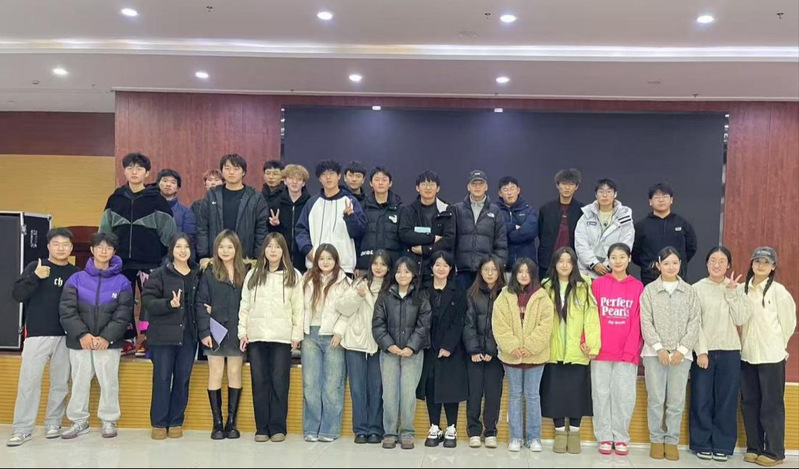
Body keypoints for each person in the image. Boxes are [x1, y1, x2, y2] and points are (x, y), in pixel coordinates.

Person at [7, 228, 79, 447]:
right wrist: (35, 277)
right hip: (36, 335)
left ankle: (53, 423)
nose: (61, 248)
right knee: (29, 383)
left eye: (65, 244)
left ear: (71, 248)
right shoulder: (35, 267)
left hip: (65, 336)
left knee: (60, 383)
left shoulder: (75, 273)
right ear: (48, 246)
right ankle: (22, 429)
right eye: (56, 244)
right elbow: (18, 295)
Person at [99, 152, 176, 353]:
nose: (134, 172)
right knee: (121, 301)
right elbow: (105, 230)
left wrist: (162, 254)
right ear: (124, 171)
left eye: (139, 168)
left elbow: (169, 232)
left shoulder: (157, 200)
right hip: (120, 261)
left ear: (147, 173)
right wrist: (105, 253)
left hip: (150, 261)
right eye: (130, 168)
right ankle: (127, 339)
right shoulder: (115, 199)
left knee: (149, 301)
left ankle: (148, 338)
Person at [58, 232, 133, 440]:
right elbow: (67, 310)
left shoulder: (122, 282)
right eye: (99, 247)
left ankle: (109, 420)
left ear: (114, 252)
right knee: (79, 381)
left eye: (108, 248)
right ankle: (78, 421)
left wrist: (106, 337)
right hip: (80, 342)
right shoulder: (76, 279)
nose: (103, 251)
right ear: (92, 250)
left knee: (109, 382)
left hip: (108, 343)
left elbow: (123, 314)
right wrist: (82, 334)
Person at [238, 233, 303, 443]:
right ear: (264, 250)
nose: (273, 250)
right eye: (269, 246)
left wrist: (296, 334)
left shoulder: (293, 276)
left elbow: (299, 308)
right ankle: (261, 428)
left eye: (277, 247)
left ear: (284, 251)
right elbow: (244, 306)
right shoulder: (253, 274)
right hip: (257, 336)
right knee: (259, 382)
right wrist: (242, 332)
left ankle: (277, 428)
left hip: (282, 337)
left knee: (279, 382)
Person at [689, 246, 751, 461]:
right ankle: (701, 442)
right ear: (706, 263)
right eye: (713, 260)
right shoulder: (696, 288)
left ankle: (723, 445)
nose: (717, 265)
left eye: (722, 261)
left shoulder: (737, 288)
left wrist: (732, 293)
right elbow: (694, 323)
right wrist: (701, 352)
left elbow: (741, 318)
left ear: (729, 265)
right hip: (704, 352)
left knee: (727, 400)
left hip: (730, 351)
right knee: (701, 398)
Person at [640, 247, 701, 461]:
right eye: (666, 263)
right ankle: (656, 440)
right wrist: (659, 348)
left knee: (675, 401)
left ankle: (672, 440)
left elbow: (695, 322)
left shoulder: (689, 291)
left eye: (674, 263)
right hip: (653, 354)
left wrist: (681, 350)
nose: (670, 267)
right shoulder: (649, 291)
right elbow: (645, 321)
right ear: (658, 265)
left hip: (681, 356)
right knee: (656, 400)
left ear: (680, 264)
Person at [540, 248, 600, 455]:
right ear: (554, 264)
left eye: (569, 261)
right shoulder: (546, 286)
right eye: (560, 261)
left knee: (577, 395)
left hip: (578, 351)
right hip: (553, 350)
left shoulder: (584, 286)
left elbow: (591, 317)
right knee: (555, 394)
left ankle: (574, 433)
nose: (564, 265)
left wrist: (591, 344)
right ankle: (559, 433)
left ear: (574, 264)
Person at [740, 247, 796, 467]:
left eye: (766, 262)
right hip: (748, 354)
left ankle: (774, 451)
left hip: (771, 356)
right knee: (749, 403)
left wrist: (778, 345)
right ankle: (754, 447)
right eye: (757, 261)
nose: (761, 265)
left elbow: (789, 323)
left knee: (771, 404)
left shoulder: (779, 292)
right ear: (752, 264)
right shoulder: (743, 289)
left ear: (773, 266)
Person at [141, 233, 200, 440]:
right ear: (171, 250)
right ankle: (158, 423)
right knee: (162, 379)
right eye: (178, 246)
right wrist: (169, 304)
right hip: (163, 336)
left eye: (186, 247)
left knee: (182, 380)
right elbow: (148, 301)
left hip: (188, 336)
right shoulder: (159, 274)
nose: (182, 251)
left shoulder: (197, 274)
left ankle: (176, 421)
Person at [492, 258, 554, 453]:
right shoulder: (504, 295)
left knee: (533, 396)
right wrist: (513, 346)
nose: (524, 275)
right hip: (511, 356)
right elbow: (499, 325)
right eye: (520, 271)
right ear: (515, 274)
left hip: (536, 356)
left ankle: (534, 438)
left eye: (528, 272)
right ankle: (516, 437)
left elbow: (546, 325)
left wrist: (530, 346)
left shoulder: (543, 297)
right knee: (515, 395)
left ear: (533, 274)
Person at [590, 243, 644, 456]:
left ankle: (621, 437)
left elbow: (638, 320)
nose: (618, 261)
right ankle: (604, 436)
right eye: (614, 257)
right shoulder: (598, 284)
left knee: (624, 395)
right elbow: (590, 316)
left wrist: (631, 350)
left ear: (629, 259)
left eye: (622, 257)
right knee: (600, 394)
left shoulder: (637, 286)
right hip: (601, 351)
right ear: (608, 260)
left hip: (626, 353)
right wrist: (590, 342)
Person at [372, 257, 432, 450]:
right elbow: (378, 325)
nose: (402, 275)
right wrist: (390, 346)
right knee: (389, 394)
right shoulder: (384, 296)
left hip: (412, 353)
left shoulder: (421, 297)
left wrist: (410, 347)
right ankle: (389, 433)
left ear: (413, 274)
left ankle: (407, 432)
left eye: (407, 271)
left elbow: (424, 326)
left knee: (408, 394)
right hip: (389, 353)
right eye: (399, 271)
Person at [195, 230, 248, 440]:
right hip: (214, 330)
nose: (225, 251)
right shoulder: (208, 272)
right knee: (215, 373)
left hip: (237, 330)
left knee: (235, 373)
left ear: (237, 249)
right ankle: (217, 424)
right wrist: (204, 332)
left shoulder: (246, 272)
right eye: (221, 246)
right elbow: (201, 303)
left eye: (230, 247)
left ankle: (231, 423)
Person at [335, 250, 391, 444]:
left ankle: (375, 429)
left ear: (388, 268)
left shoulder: (390, 288)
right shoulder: (359, 283)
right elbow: (342, 308)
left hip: (379, 343)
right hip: (355, 340)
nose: (378, 267)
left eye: (383, 264)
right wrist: (358, 296)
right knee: (357, 388)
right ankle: (360, 429)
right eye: (375, 263)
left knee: (376, 388)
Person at [418, 251, 468, 449]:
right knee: (431, 387)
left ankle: (451, 427)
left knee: (450, 388)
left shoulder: (458, 291)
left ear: (450, 269)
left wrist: (448, 346)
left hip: (451, 349)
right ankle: (434, 426)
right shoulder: (423, 290)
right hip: (428, 347)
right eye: (437, 264)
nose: (441, 268)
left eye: (445, 265)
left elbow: (459, 321)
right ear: (431, 267)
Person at [301, 244, 351, 442]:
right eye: (321, 258)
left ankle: (329, 430)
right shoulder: (306, 279)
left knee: (332, 385)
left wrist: (339, 332)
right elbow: (299, 306)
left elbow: (348, 311)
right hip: (310, 335)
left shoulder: (345, 281)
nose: (325, 262)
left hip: (333, 336)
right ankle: (311, 428)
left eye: (329, 258)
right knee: (310, 384)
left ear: (336, 260)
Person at [462, 255, 506, 449]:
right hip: (474, 354)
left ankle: (490, 431)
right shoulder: (471, 294)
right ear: (480, 271)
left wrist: (491, 349)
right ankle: (473, 431)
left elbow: (504, 326)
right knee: (474, 393)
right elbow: (468, 324)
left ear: (499, 272)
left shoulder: (506, 294)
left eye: (494, 270)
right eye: (486, 269)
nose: (490, 273)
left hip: (496, 354)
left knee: (493, 394)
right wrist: (474, 350)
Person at [295, 160, 367, 275]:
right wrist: (308, 251)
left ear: (339, 176)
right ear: (320, 179)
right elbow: (301, 230)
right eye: (324, 174)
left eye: (331, 174)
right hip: (315, 266)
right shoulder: (312, 203)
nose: (328, 178)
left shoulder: (350, 201)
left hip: (344, 267)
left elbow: (359, 232)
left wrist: (350, 217)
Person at [195, 154, 270, 260]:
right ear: (222, 171)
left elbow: (261, 230)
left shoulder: (255, 197)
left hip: (245, 258)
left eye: (236, 169)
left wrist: (257, 258)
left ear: (243, 172)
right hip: (215, 257)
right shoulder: (212, 195)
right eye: (227, 168)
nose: (231, 172)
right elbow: (202, 227)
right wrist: (204, 255)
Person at [452, 170, 508, 291]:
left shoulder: (495, 210)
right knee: (462, 301)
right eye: (474, 184)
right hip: (462, 271)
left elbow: (501, 242)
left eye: (481, 184)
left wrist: (498, 267)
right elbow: (451, 240)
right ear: (468, 187)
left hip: (486, 271)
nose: (477, 187)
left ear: (486, 187)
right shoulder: (457, 209)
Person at [632, 183, 698, 285]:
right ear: (650, 202)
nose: (661, 200)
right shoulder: (641, 226)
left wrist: (674, 264)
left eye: (665, 196)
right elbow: (635, 253)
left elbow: (691, 248)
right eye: (657, 197)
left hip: (678, 278)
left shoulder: (682, 223)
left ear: (671, 200)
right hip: (650, 279)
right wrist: (649, 265)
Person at [398, 170, 455, 283]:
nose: (428, 188)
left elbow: (449, 239)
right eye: (424, 184)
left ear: (438, 188)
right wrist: (432, 238)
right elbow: (405, 234)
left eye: (432, 184)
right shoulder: (408, 210)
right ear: (417, 188)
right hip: (413, 266)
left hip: (438, 266)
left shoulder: (447, 210)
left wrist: (425, 250)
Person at [574, 178, 634, 279]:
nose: (604, 195)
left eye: (609, 192)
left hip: (614, 272)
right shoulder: (586, 216)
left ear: (615, 194)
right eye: (601, 192)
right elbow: (580, 243)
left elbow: (626, 244)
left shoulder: (625, 218)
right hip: (586, 273)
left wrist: (608, 265)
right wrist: (594, 263)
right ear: (596, 195)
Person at [537, 169, 583, 280]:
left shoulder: (582, 210)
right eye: (563, 184)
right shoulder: (546, 209)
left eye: (571, 184)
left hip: (573, 262)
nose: (567, 188)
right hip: (548, 261)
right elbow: (541, 233)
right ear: (557, 185)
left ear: (576, 187)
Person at [356, 167, 403, 273]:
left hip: (392, 265)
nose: (380, 183)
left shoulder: (400, 209)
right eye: (377, 179)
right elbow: (356, 238)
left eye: (384, 180)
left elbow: (404, 239)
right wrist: (357, 264)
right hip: (366, 265)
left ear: (390, 183)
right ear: (370, 183)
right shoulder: (362, 207)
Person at [268, 164, 311, 272]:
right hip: (281, 257)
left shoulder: (310, 203)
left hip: (304, 257)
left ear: (303, 183)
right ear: (285, 181)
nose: (294, 182)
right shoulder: (276, 203)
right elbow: (270, 233)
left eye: (299, 179)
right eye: (291, 178)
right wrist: (275, 225)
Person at [496, 176, 538, 272]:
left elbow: (529, 232)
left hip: (526, 268)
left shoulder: (529, 210)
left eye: (512, 189)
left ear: (518, 190)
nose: (509, 193)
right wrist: (514, 227)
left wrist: (507, 236)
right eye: (505, 189)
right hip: (502, 267)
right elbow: (494, 230)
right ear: (500, 193)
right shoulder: (494, 210)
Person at [157, 169, 197, 245]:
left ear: (177, 188)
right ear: (158, 183)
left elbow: (189, 238)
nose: (168, 184)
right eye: (165, 181)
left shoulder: (186, 212)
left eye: (173, 182)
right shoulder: (149, 208)